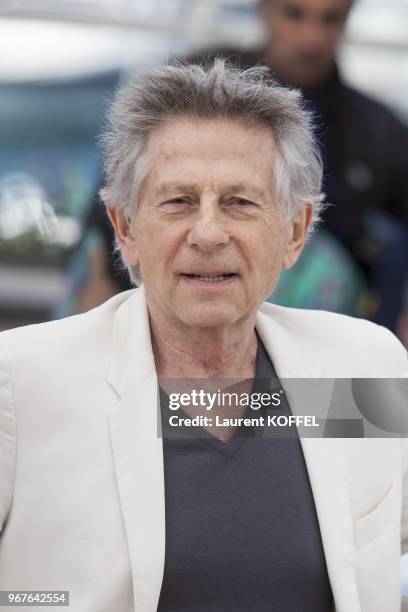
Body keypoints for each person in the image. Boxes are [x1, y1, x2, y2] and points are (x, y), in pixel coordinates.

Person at [0, 61, 407, 612]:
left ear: (294, 231)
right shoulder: (24, 383)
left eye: (240, 202)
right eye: (178, 201)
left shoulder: (360, 365)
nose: (209, 233)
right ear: (125, 229)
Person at [61, 0, 408, 333]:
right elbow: (113, 205)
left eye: (329, 19)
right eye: (294, 14)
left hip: (312, 304)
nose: (310, 37)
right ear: (264, 10)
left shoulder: (377, 131)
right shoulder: (194, 81)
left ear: (299, 227)